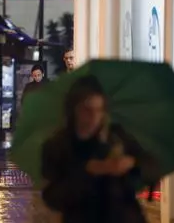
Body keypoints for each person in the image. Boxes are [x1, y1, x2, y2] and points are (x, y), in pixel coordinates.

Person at [41, 75, 157, 223]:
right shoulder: (58, 145)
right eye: (87, 110)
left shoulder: (116, 136)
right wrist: (89, 171)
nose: (94, 117)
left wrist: (132, 162)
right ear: (74, 110)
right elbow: (53, 197)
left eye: (99, 110)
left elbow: (152, 166)